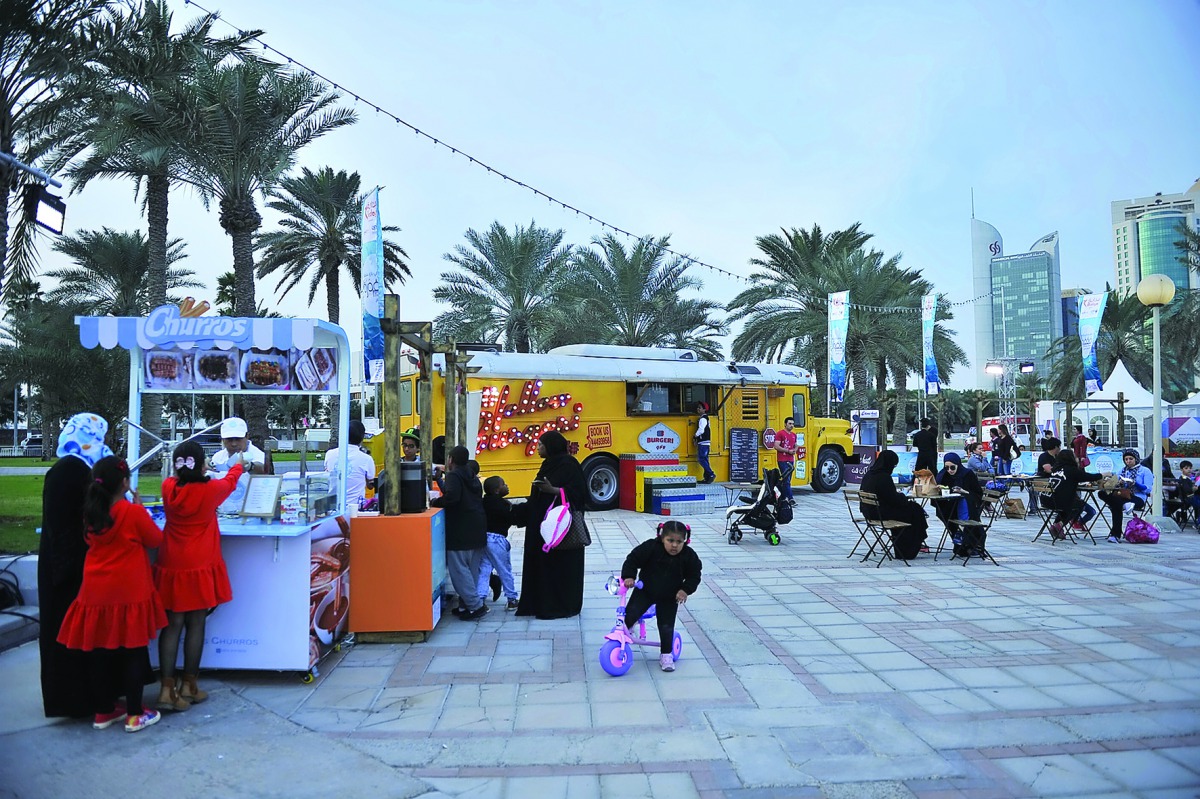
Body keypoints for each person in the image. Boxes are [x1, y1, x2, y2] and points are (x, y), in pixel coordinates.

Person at [56, 456, 167, 733]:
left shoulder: (91, 511)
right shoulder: (132, 512)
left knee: (100, 652)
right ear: (126, 483)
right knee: (132, 651)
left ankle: (104, 711)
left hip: (95, 592)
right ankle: (134, 713)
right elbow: (156, 540)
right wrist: (140, 508)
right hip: (129, 591)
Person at [154, 440, 244, 711]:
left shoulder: (168, 487)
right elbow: (231, 479)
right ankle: (189, 684)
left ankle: (166, 689)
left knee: (172, 625)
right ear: (200, 463)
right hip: (200, 562)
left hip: (171, 560)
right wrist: (238, 464)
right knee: (196, 623)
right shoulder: (211, 490)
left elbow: (176, 478)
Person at [38, 413, 116, 718]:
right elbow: (67, 525)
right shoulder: (70, 472)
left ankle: (80, 698)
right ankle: (75, 700)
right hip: (68, 569)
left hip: (66, 564)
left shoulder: (72, 468)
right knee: (67, 635)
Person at [516, 431, 587, 619]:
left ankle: (560, 605)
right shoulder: (548, 464)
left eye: (541, 444)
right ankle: (538, 603)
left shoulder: (569, 465)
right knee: (542, 565)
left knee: (559, 567)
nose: (538, 448)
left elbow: (580, 494)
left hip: (561, 529)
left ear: (551, 446)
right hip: (542, 526)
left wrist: (553, 490)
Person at [621, 521, 703, 672]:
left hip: (669, 596)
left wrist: (685, 590)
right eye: (670, 541)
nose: (674, 546)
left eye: (679, 542)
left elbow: (694, 575)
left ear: (685, 541)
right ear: (661, 538)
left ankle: (666, 654)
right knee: (630, 614)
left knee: (666, 625)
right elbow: (632, 559)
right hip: (645, 591)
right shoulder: (651, 547)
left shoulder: (688, 556)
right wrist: (629, 576)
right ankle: (625, 634)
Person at [431, 445, 489, 620]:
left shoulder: (454, 475)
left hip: (461, 530)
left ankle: (475, 605)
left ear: (451, 460)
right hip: (477, 527)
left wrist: (435, 501)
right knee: (471, 570)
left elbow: (452, 498)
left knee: (459, 571)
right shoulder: (472, 475)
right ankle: (465, 605)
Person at [859, 450, 928, 560]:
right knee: (915, 510)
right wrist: (902, 496)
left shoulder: (869, 474)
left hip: (869, 511)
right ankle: (910, 546)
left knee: (913, 509)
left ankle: (909, 543)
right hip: (881, 514)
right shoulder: (883, 477)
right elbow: (894, 499)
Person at [477, 476, 521, 611]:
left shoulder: (483, 502)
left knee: (484, 570)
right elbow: (511, 519)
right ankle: (512, 599)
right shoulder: (503, 505)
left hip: (483, 539)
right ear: (497, 490)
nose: (507, 486)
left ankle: (480, 599)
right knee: (504, 569)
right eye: (504, 484)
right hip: (498, 540)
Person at [1099, 449, 1154, 543]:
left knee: (1115, 506)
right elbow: (1111, 484)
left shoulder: (1145, 470)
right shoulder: (1122, 470)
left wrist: (1135, 484)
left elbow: (1148, 489)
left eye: (1131, 459)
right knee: (1102, 493)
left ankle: (1115, 535)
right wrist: (1117, 482)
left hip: (1137, 497)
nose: (1128, 461)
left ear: (1136, 459)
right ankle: (1124, 506)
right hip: (1123, 496)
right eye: (1126, 459)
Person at [935, 453, 985, 556]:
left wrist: (963, 491)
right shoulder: (943, 474)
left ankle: (967, 543)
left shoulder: (967, 474)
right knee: (945, 513)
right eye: (947, 467)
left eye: (952, 467)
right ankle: (959, 541)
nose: (950, 470)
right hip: (949, 506)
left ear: (958, 464)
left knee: (963, 508)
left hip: (968, 506)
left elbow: (978, 494)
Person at [1046, 449, 1101, 539]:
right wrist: (1102, 475)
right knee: (1078, 505)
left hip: (1047, 500)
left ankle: (1056, 525)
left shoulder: (1055, 469)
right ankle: (1060, 524)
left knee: (1070, 503)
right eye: (1075, 457)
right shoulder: (1071, 470)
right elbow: (1087, 477)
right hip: (1057, 501)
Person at [323, 420, 376, 511]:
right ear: (362, 437)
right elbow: (370, 485)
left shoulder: (330, 454)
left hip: (332, 508)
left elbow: (327, 474)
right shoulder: (366, 459)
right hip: (356, 508)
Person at [774, 416, 797, 505]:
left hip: (790, 459)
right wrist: (787, 451)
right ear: (785, 424)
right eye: (790, 424)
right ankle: (790, 498)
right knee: (786, 479)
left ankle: (783, 497)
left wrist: (795, 449)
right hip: (782, 459)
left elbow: (796, 445)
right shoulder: (780, 433)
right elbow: (776, 446)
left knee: (787, 480)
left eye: (793, 424)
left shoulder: (794, 435)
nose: (791, 426)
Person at [694, 402, 715, 484]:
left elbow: (701, 430)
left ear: (704, 409)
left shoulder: (703, 419)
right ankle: (707, 478)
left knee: (701, 459)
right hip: (705, 442)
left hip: (703, 443)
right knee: (705, 459)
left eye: (700, 407)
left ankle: (711, 474)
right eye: (698, 407)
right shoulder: (705, 418)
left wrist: (695, 436)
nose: (698, 409)